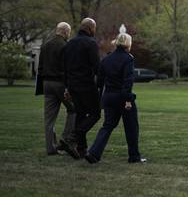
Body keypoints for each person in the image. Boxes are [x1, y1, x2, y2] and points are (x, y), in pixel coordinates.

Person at [85, 31, 146, 164]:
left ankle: (94, 153)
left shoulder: (106, 59)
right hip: (123, 97)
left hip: (109, 97)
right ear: (128, 44)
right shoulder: (128, 59)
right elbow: (128, 81)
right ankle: (134, 156)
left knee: (107, 126)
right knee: (131, 127)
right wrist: (128, 100)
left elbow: (99, 82)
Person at [63, 18, 101, 158]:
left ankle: (81, 148)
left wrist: (67, 87)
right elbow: (97, 66)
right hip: (86, 84)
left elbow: (65, 68)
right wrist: (101, 83)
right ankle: (74, 136)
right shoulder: (91, 43)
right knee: (95, 113)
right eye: (94, 28)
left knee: (80, 114)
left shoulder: (69, 44)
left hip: (72, 85)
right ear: (90, 28)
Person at [38, 22, 76, 156]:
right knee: (74, 110)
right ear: (65, 32)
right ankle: (65, 139)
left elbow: (40, 67)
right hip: (60, 83)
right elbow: (67, 68)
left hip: (47, 83)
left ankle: (51, 147)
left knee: (49, 118)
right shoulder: (65, 46)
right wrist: (68, 87)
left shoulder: (46, 45)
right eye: (69, 32)